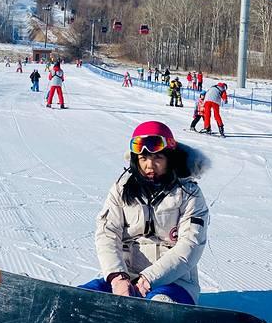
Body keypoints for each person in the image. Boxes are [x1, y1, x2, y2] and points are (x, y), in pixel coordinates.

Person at [79, 121, 209, 305]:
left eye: (158, 158)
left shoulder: (189, 194)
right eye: (143, 158)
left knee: (159, 303)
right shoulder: (121, 189)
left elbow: (190, 245)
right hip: (126, 278)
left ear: (170, 158)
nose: (150, 165)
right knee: (84, 298)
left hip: (174, 282)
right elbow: (107, 233)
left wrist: (149, 279)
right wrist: (117, 278)